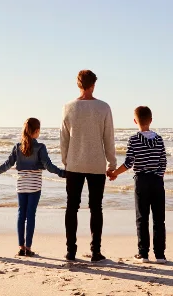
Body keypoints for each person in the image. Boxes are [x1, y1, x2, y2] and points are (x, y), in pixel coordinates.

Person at [60, 69, 116, 262]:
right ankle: (96, 251)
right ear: (93, 85)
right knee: (96, 208)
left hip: (74, 163)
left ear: (78, 84)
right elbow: (108, 138)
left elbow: (64, 138)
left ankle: (71, 251)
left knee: (71, 207)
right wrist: (112, 163)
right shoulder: (103, 107)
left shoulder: (68, 107)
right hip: (96, 164)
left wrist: (66, 160)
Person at [0, 117, 66, 257]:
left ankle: (21, 247)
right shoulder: (40, 147)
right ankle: (28, 248)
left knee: (21, 214)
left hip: (21, 184)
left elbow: (8, 164)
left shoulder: (17, 147)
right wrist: (63, 173)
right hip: (34, 185)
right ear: (36, 131)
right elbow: (48, 166)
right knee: (31, 215)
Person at [108, 106, 167, 264]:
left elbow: (129, 163)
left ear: (135, 121)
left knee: (142, 218)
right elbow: (163, 162)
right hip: (156, 181)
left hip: (141, 180)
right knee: (159, 219)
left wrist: (114, 173)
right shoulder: (159, 139)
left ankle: (144, 253)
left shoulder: (134, 139)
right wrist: (158, 176)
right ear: (151, 120)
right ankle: (160, 255)